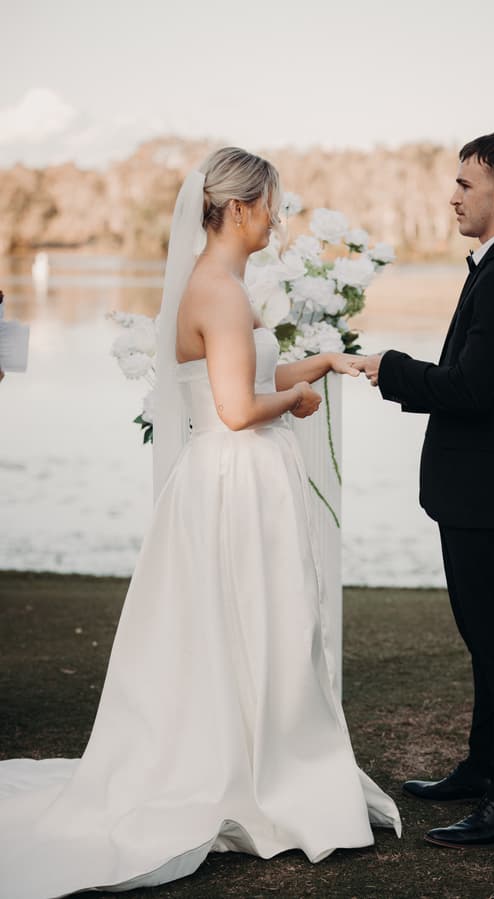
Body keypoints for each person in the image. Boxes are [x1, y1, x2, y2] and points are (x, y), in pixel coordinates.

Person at [0, 148, 401, 899]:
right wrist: (296, 405)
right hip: (234, 478)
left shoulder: (213, 286)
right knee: (254, 620)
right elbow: (240, 409)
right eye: (273, 204)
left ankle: (248, 750)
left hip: (224, 480)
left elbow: (244, 376)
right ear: (242, 208)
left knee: (235, 625)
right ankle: (256, 769)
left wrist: (318, 363)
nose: (278, 218)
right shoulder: (218, 291)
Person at [356, 132, 494, 848]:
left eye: (465, 184)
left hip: (491, 492)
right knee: (486, 636)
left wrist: (391, 367)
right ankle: (482, 765)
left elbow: (471, 387)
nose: (453, 196)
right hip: (477, 489)